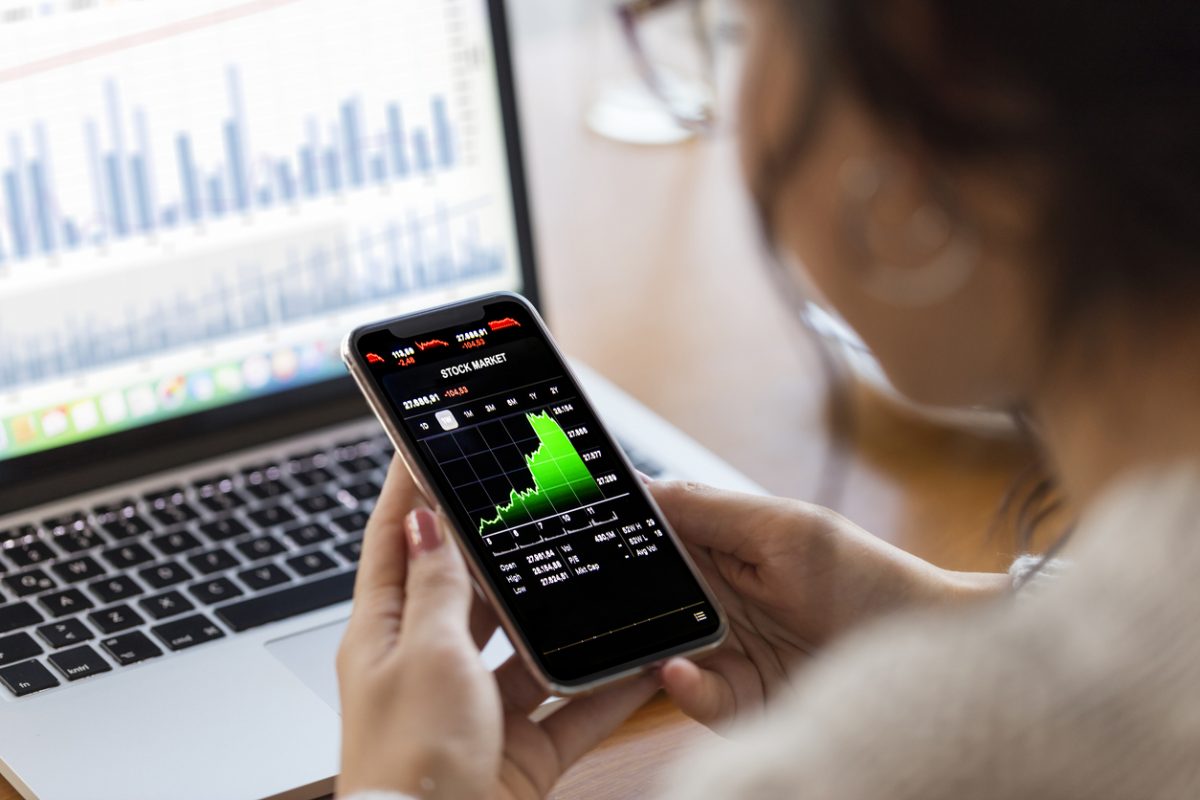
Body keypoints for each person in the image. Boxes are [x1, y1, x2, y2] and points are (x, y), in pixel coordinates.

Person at [334, 1, 1200, 797]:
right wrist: (952, 615)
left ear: (924, 128)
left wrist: (407, 786)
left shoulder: (891, 768)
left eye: (744, 30)